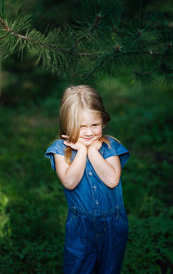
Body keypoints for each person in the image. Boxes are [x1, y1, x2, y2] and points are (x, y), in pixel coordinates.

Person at [44, 85, 130, 274]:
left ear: (103, 121)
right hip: (80, 226)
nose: (89, 132)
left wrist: (92, 151)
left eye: (94, 125)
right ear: (67, 124)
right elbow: (69, 181)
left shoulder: (109, 146)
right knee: (78, 268)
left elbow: (112, 179)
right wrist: (82, 151)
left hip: (113, 224)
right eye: (81, 126)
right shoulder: (60, 149)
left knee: (109, 269)